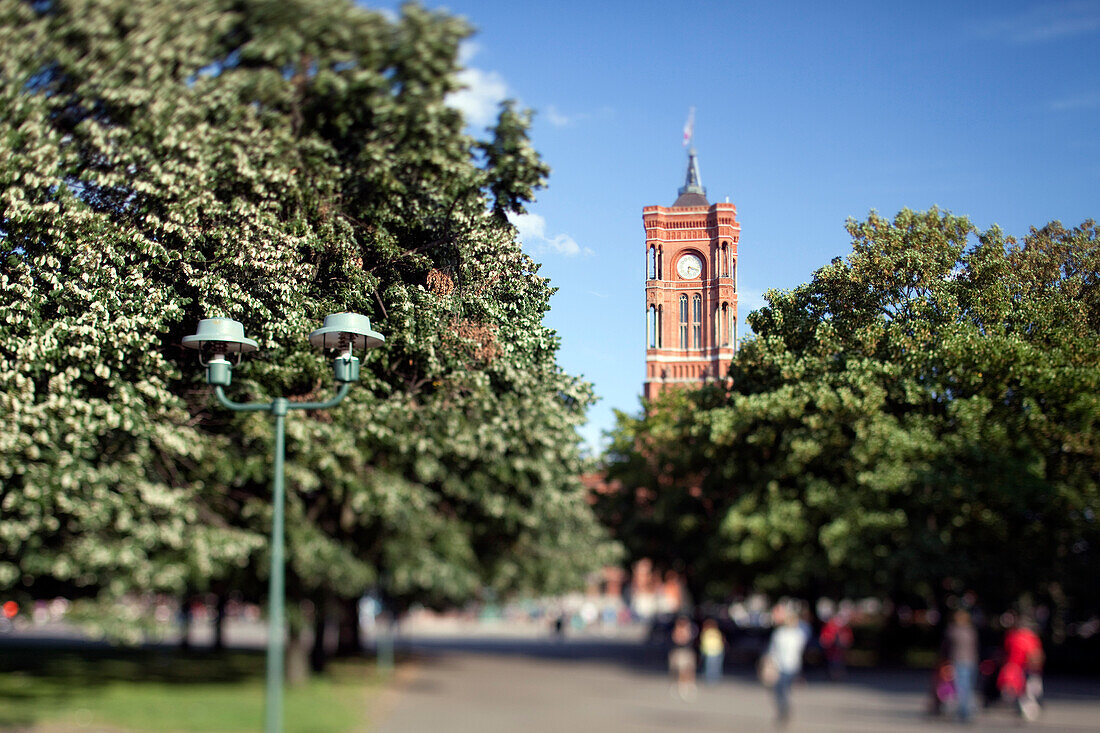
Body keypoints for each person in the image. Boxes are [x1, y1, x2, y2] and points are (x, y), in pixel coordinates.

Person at [765, 603, 808, 725]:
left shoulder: (797, 634)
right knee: (779, 690)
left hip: (791, 666)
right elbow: (772, 650)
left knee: (783, 689)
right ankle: (783, 709)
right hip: (779, 666)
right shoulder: (780, 634)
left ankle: (784, 710)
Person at [998, 615, 1044, 721]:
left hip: (1020, 666)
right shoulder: (1030, 637)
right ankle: (1028, 709)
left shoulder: (1014, 636)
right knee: (1026, 690)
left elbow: (1007, 652)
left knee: (1024, 690)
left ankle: (1027, 709)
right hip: (1023, 667)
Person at [942, 609, 979, 722]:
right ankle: (966, 711)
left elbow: (945, 648)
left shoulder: (952, 631)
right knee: (967, 687)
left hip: (958, 661)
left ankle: (964, 711)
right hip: (971, 661)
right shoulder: (970, 631)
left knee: (961, 688)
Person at [668, 615, 697, 700]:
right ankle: (680, 686)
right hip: (680, 651)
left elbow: (689, 639)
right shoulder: (677, 630)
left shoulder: (690, 630)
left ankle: (689, 685)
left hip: (687, 651)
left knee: (689, 669)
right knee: (680, 670)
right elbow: (679, 639)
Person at [819, 611, 853, 680]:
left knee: (838, 662)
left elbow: (848, 638)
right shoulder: (829, 627)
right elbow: (823, 638)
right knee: (831, 663)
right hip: (830, 649)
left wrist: (844, 642)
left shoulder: (843, 628)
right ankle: (832, 675)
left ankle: (838, 675)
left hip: (839, 650)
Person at [699, 618, 725, 685]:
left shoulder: (711, 632)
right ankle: (711, 679)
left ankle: (713, 678)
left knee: (712, 666)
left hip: (715, 651)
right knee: (712, 666)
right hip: (712, 651)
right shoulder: (712, 632)